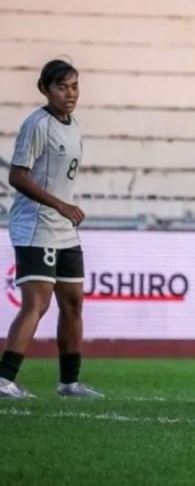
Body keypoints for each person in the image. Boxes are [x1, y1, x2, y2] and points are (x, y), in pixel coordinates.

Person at [0, 59, 101, 399]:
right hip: (36, 225)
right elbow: (17, 175)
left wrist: (63, 210)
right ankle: (3, 380)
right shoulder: (37, 124)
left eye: (74, 86)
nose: (70, 94)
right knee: (37, 304)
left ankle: (69, 383)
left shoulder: (73, 125)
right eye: (62, 87)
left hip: (64, 229)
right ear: (44, 89)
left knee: (73, 303)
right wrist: (59, 204)